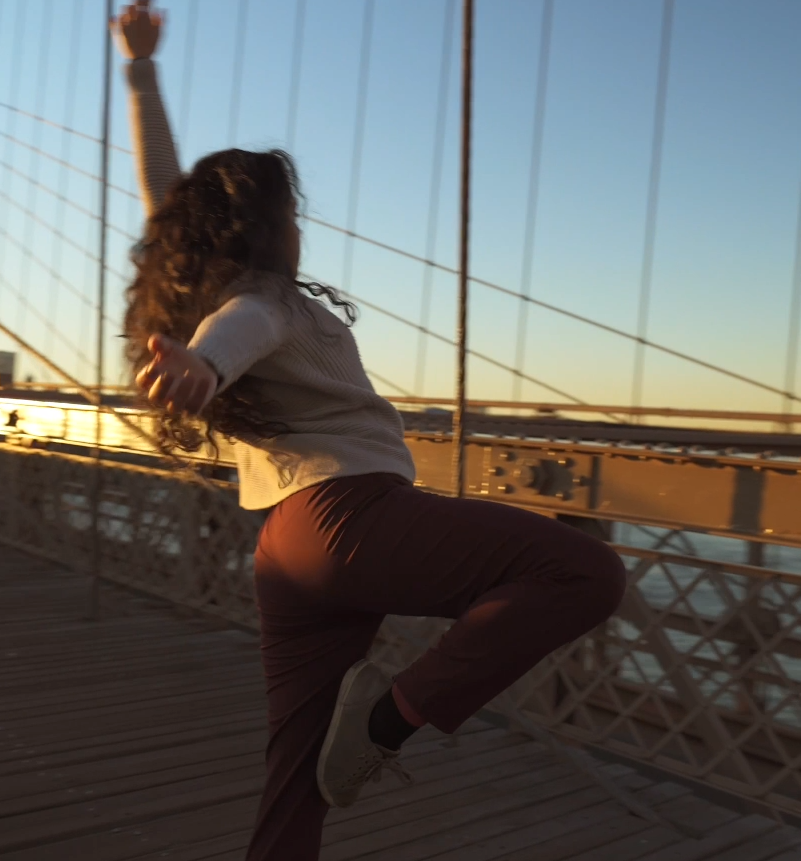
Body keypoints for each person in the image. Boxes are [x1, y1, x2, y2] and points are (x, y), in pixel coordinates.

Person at [112, 4, 628, 859]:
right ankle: (390, 717)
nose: (301, 228)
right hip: (349, 520)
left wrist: (139, 69)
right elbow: (236, 334)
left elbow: (164, 193)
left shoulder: (216, 287)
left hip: (283, 551)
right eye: (292, 213)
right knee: (584, 573)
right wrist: (201, 370)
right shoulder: (262, 300)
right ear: (271, 228)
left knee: (293, 787)